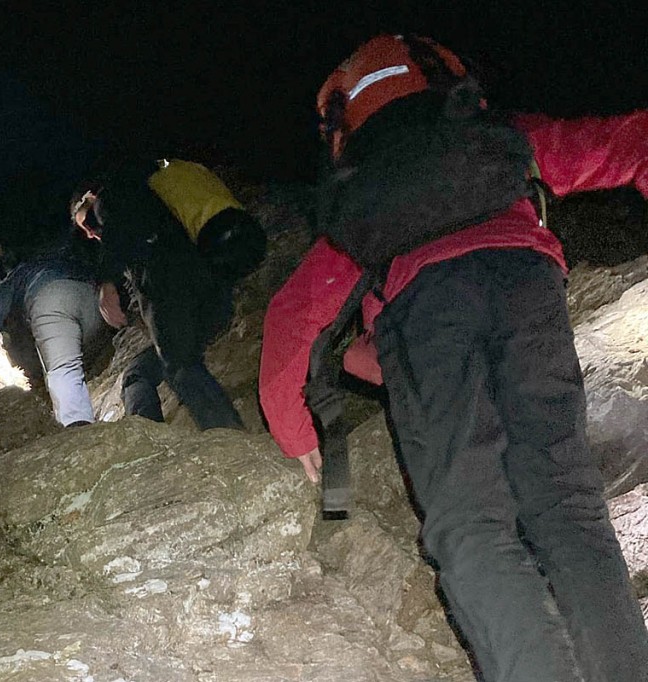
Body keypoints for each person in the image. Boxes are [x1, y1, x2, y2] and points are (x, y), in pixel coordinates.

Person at [259, 34, 648, 681]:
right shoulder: (498, 139)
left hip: (426, 317)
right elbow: (632, 142)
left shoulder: (367, 196)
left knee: (472, 527)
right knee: (568, 508)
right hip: (526, 285)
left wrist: (295, 428)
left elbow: (292, 316)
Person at [72, 158, 265, 431]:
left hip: (172, 283)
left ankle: (227, 436)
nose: (92, 234)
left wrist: (106, 283)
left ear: (90, 197)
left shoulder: (112, 197)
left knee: (179, 366)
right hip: (210, 287)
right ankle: (219, 432)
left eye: (88, 224)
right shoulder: (153, 200)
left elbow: (118, 230)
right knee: (164, 364)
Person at [0, 245, 106, 427]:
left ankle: (79, 432)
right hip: (94, 299)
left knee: (64, 370)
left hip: (52, 296)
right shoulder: (76, 260)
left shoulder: (27, 269)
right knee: (78, 359)